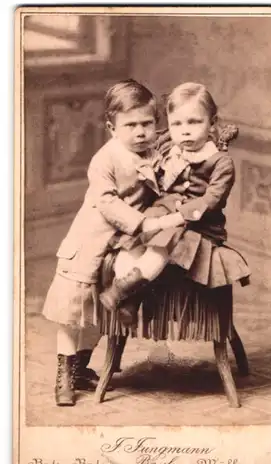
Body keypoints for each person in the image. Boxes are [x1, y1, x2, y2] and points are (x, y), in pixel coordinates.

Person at [42, 79, 180, 406]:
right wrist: (144, 222)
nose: (140, 132)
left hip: (123, 241)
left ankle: (81, 367)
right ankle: (63, 373)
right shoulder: (106, 159)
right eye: (130, 125)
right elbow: (107, 203)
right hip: (92, 238)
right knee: (72, 308)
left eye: (147, 123)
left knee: (102, 309)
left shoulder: (152, 151)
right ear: (111, 127)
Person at [99, 82, 251, 321]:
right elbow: (138, 143)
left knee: (165, 240)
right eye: (177, 123)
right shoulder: (169, 145)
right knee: (135, 240)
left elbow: (212, 200)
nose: (185, 131)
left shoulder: (219, 162)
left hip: (198, 226)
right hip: (162, 213)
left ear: (212, 124)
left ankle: (124, 288)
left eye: (194, 122)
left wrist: (177, 217)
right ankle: (129, 297)